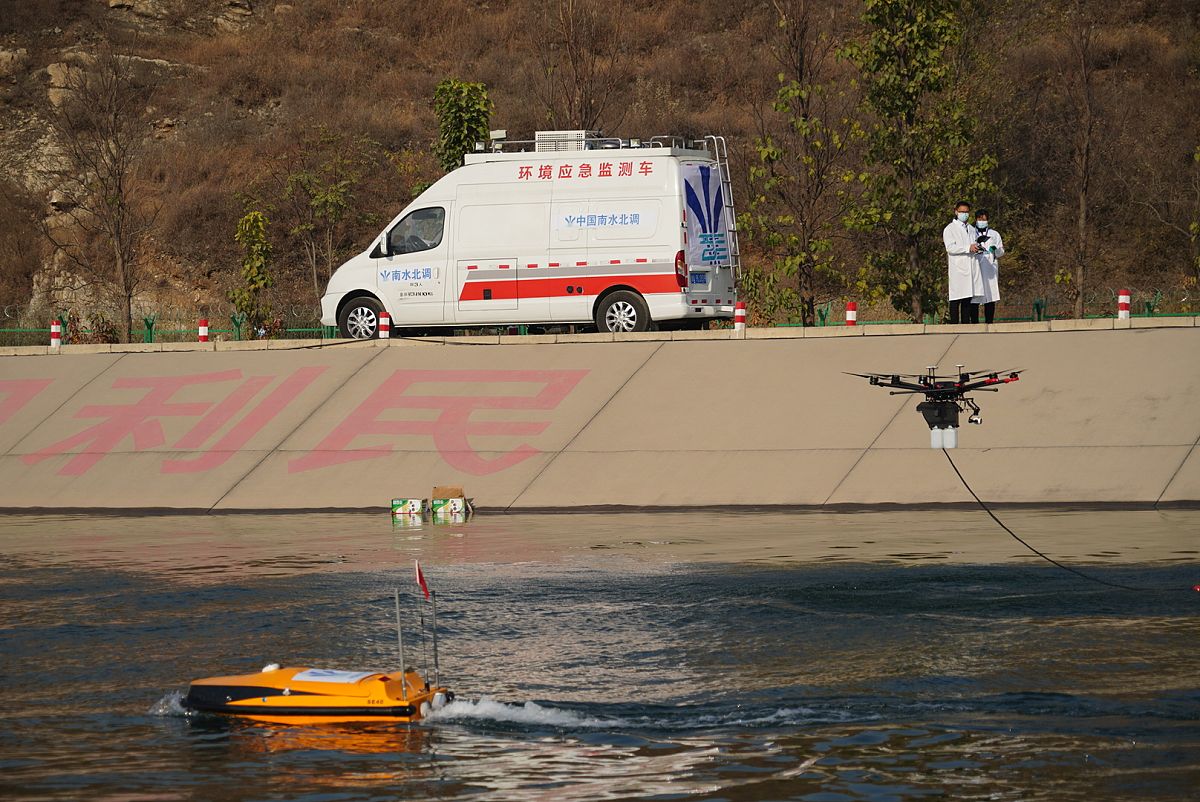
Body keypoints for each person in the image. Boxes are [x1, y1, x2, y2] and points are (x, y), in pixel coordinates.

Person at [943, 200, 983, 323]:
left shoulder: (971, 229)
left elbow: (974, 244)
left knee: (967, 299)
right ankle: (954, 326)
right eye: (962, 212)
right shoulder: (950, 229)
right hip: (958, 268)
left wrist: (977, 249)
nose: (964, 214)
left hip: (971, 267)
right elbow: (950, 248)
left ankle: (966, 325)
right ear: (956, 212)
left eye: (966, 212)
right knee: (956, 299)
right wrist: (967, 248)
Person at [974, 210, 1005, 324]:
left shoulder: (994, 234)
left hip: (990, 268)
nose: (982, 221)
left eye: (984, 219)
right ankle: (974, 324)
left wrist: (995, 249)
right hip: (976, 268)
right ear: (976, 219)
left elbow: (1001, 252)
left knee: (990, 296)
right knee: (975, 297)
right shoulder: (971, 233)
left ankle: (989, 322)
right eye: (980, 219)